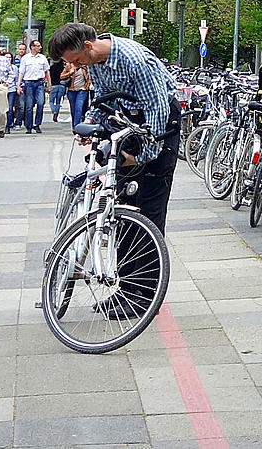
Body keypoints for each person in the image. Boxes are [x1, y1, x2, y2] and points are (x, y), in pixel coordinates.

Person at [48, 23, 180, 319]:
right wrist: (89, 123)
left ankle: (145, 297)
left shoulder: (135, 61)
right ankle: (125, 289)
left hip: (158, 130)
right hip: (128, 124)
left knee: (146, 214)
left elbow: (157, 111)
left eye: (77, 61)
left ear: (89, 47)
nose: (74, 67)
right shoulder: (95, 61)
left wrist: (141, 156)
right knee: (120, 211)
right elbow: (103, 99)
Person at [17, 40, 50, 134]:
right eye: (38, 46)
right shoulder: (26, 58)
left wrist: (49, 84)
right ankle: (29, 126)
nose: (40, 47)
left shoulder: (42, 58)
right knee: (29, 106)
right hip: (28, 83)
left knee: (40, 103)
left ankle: (37, 124)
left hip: (39, 83)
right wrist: (18, 85)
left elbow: (47, 71)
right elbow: (21, 72)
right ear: (32, 47)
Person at [60, 60, 90, 129]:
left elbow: (89, 78)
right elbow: (61, 76)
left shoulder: (84, 67)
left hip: (82, 91)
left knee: (78, 108)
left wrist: (87, 85)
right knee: (73, 110)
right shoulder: (69, 66)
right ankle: (74, 126)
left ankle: (77, 127)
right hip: (71, 91)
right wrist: (69, 73)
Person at [3, 51, 20, 135]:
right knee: (2, 109)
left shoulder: (15, 68)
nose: (8, 59)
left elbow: (16, 79)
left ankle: (8, 126)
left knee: (10, 108)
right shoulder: (0, 67)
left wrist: (18, 87)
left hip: (11, 89)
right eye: (6, 57)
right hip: (2, 90)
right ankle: (1, 124)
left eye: (9, 57)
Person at [48, 58, 66, 122]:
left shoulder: (51, 68)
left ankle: (54, 110)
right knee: (58, 101)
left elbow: (49, 76)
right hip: (62, 85)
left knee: (51, 101)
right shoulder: (63, 68)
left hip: (54, 85)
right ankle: (57, 112)